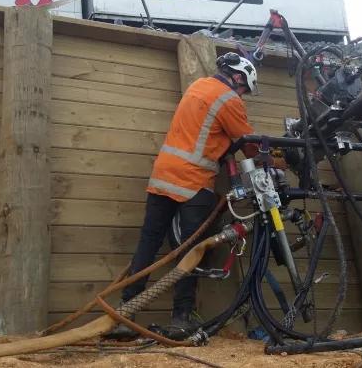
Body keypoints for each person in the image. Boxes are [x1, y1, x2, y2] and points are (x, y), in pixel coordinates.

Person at [107, 52, 261, 339]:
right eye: (244, 89)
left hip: (163, 176)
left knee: (148, 246)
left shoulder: (198, 86)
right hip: (193, 181)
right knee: (191, 252)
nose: (243, 96)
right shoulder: (229, 99)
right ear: (238, 78)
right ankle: (180, 318)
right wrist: (278, 158)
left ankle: (123, 316)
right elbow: (251, 147)